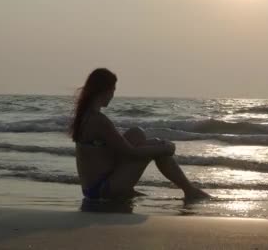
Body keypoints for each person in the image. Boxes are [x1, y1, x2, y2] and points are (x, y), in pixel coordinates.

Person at [70, 68, 210, 202]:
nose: (113, 95)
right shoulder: (98, 121)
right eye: (113, 90)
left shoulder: (85, 116)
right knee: (159, 151)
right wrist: (165, 148)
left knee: (136, 133)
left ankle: (187, 189)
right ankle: (190, 191)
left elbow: (115, 150)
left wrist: (156, 144)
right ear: (105, 91)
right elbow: (131, 153)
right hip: (101, 190)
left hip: (96, 186)